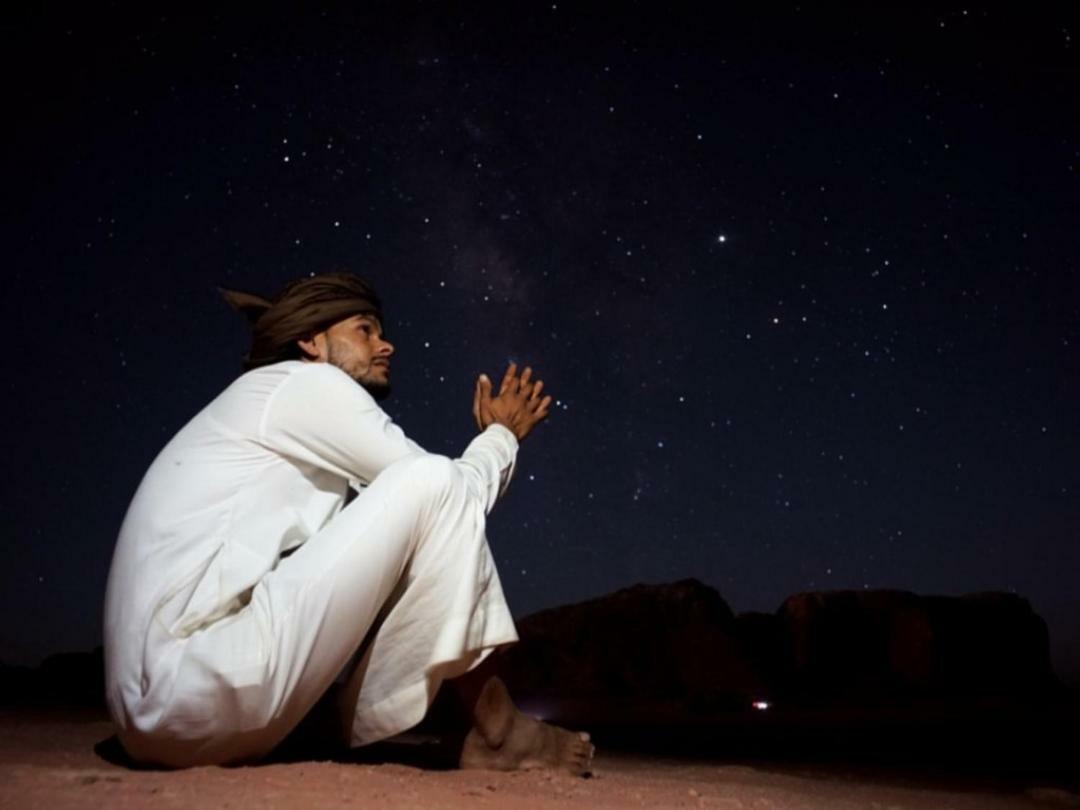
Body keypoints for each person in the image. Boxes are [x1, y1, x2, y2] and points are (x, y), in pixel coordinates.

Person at [103, 272, 593, 772]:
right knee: (433, 481)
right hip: (188, 686)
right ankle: (501, 733)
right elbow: (451, 493)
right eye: (365, 330)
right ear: (310, 342)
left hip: (163, 710)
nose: (387, 345)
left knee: (397, 533)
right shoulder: (302, 384)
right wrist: (500, 436)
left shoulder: (280, 420)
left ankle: (343, 721)